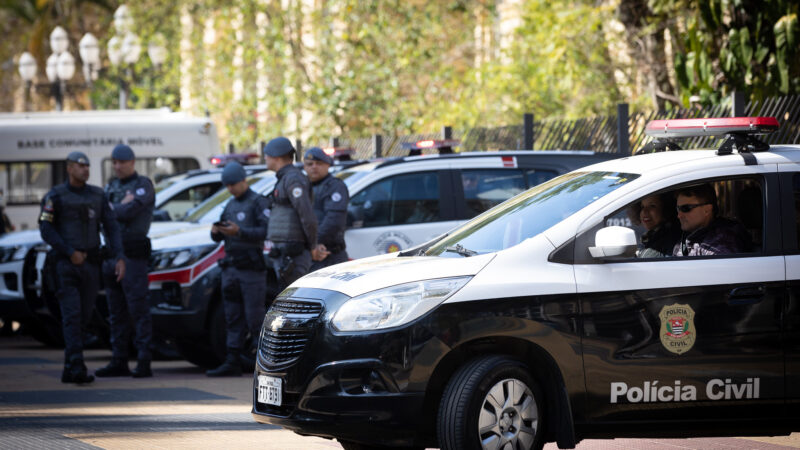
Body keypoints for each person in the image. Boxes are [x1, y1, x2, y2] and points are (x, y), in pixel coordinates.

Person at [39, 151, 125, 384]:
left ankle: (70, 366)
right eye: (80, 166)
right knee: (72, 315)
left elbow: (111, 227)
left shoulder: (98, 195)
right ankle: (76, 365)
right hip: (66, 265)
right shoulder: (55, 196)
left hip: (91, 264)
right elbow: (46, 229)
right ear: (69, 168)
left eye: (87, 166)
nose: (85, 169)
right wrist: (69, 252)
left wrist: (118, 257)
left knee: (84, 316)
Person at [95, 144, 155, 378]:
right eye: (114, 162)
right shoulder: (111, 186)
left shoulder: (143, 185)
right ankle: (118, 359)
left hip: (132, 257)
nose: (117, 166)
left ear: (132, 162)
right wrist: (115, 207)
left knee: (138, 309)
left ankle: (144, 360)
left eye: (121, 162)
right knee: (115, 312)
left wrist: (112, 208)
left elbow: (128, 212)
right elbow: (104, 213)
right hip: (111, 255)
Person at [206, 162, 270, 377]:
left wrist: (239, 232)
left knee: (255, 318)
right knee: (232, 317)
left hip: (251, 269)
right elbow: (218, 235)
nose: (231, 189)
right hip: (231, 268)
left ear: (244, 181)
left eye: (234, 184)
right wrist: (217, 231)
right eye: (228, 186)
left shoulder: (257, 202)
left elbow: (265, 231)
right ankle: (232, 361)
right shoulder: (230, 204)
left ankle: (266, 363)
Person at [264, 137, 317, 291]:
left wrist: (313, 245)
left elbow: (307, 215)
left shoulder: (293, 178)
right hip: (284, 252)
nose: (265, 158)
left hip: (293, 253)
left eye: (267, 155)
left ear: (277, 156)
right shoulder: (285, 178)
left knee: (295, 300)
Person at [672, 183, 751, 256]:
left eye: (685, 208)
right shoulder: (690, 236)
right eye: (678, 209)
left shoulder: (722, 243)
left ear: (707, 210)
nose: (679, 215)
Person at [303, 147, 349, 271]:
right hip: (309, 254)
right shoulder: (303, 187)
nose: (314, 167)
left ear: (328, 165)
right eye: (310, 164)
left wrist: (313, 243)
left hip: (329, 255)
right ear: (304, 167)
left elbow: (333, 222)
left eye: (319, 163)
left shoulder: (335, 186)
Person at [631, 193, 680, 258]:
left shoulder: (666, 241)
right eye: (642, 206)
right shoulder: (653, 238)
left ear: (667, 208)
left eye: (652, 206)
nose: (644, 211)